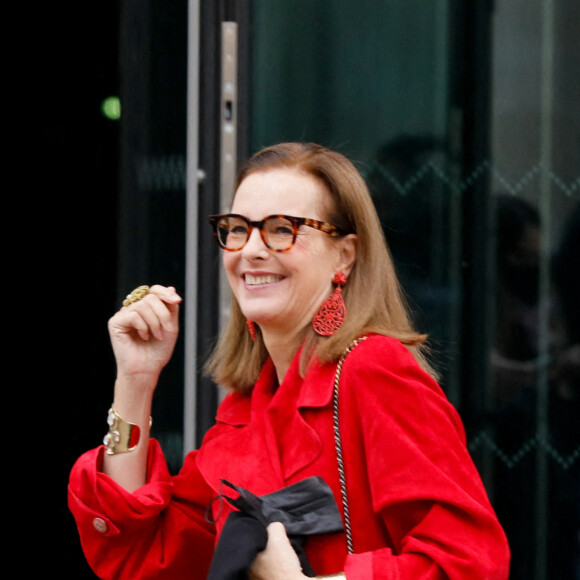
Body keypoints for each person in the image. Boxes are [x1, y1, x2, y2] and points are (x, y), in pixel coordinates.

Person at [68, 142, 510, 579]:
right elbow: (143, 552)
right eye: (238, 228)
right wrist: (136, 380)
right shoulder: (246, 411)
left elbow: (471, 563)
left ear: (344, 255)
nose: (252, 250)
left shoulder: (372, 369)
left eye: (282, 229)